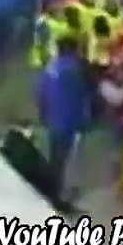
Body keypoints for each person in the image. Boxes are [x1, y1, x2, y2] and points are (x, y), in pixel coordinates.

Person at [35, 36, 90, 203]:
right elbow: (81, 97)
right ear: (72, 50)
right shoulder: (75, 70)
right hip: (68, 123)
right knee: (65, 160)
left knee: (55, 158)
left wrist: (43, 114)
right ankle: (56, 194)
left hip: (53, 119)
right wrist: (83, 121)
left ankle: (51, 190)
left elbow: (40, 93)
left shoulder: (50, 67)